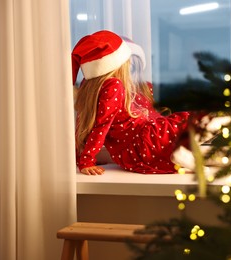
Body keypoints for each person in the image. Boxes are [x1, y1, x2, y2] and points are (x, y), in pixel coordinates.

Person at [72, 30, 191, 175]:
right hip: (141, 146)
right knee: (192, 121)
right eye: (128, 64)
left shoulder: (143, 88)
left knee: (184, 124)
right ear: (119, 64)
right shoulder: (113, 86)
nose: (129, 70)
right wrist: (86, 160)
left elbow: (91, 128)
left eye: (134, 67)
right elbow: (100, 126)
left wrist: (83, 159)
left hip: (138, 149)